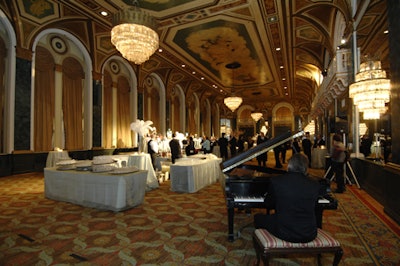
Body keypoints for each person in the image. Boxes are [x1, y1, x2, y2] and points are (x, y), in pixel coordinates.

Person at [254, 153, 320, 243]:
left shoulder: (277, 181)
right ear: (306, 167)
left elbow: (269, 203)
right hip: (309, 233)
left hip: (284, 232)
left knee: (258, 218)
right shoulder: (315, 184)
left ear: (289, 166)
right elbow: (314, 205)